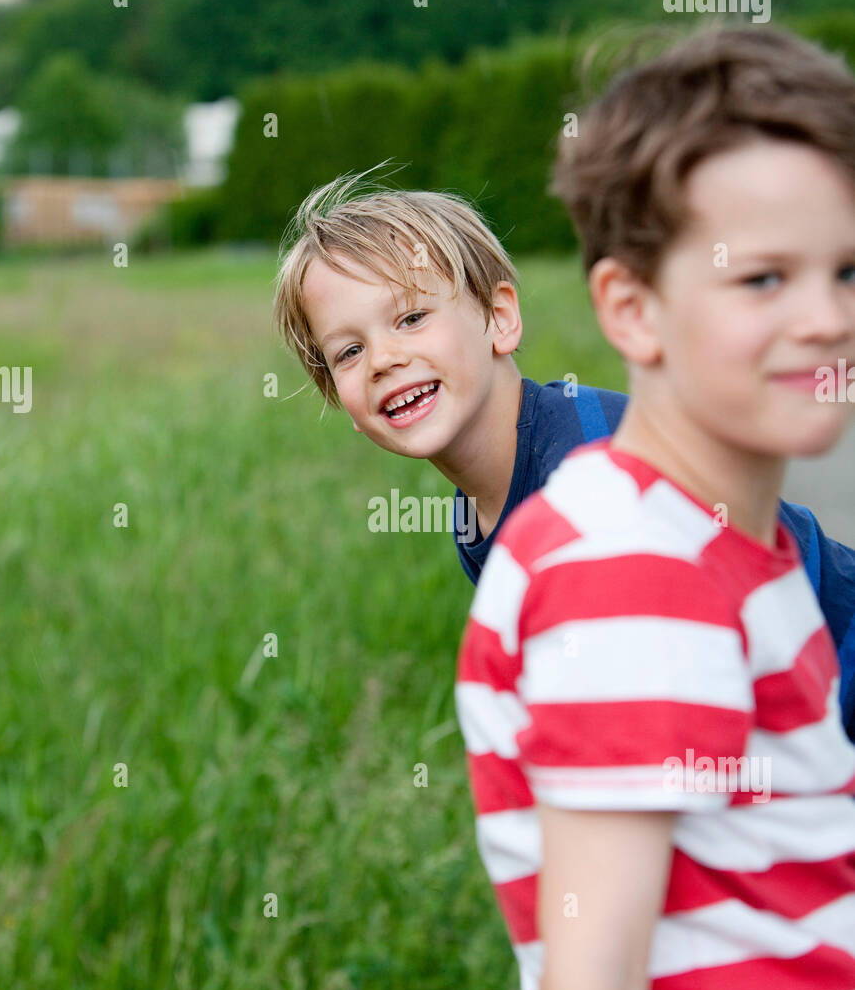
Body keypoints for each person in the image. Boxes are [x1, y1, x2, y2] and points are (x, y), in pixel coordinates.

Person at [454, 23, 855, 990]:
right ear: (629, 310)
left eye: (845, 268)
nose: (824, 315)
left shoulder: (733, 545)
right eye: (764, 277)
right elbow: (592, 979)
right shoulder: (633, 577)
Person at [274, 173, 855, 737]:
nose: (382, 358)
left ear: (499, 319)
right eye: (349, 351)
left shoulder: (595, 484)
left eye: (411, 317)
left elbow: (670, 711)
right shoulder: (482, 504)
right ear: (340, 400)